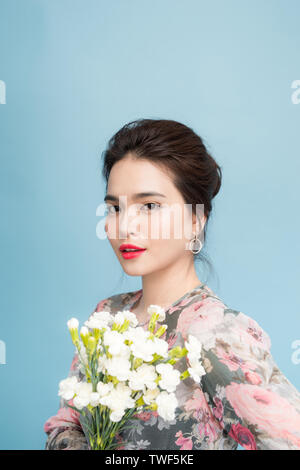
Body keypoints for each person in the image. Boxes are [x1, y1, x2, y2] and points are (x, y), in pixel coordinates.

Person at [44, 119, 300, 450]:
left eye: (149, 206)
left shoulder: (216, 333)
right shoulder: (108, 315)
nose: (125, 225)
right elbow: (65, 424)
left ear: (196, 219)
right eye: (114, 208)